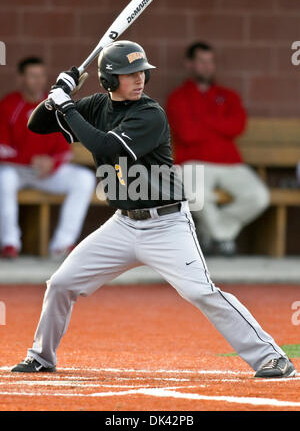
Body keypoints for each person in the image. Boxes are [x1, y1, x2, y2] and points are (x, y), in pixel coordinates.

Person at [11, 41, 295, 379]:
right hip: (123, 225)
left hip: (167, 224)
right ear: (109, 81)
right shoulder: (97, 105)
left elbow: (107, 147)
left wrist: (67, 107)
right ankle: (42, 356)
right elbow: (37, 124)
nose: (139, 78)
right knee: (60, 283)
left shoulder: (150, 113)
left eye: (141, 72)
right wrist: (59, 93)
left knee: (201, 292)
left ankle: (271, 357)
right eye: (129, 74)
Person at [166, 42, 270, 256]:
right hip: (192, 161)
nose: (207, 66)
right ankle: (224, 239)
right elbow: (187, 133)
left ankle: (213, 233)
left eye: (210, 61)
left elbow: (238, 126)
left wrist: (201, 120)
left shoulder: (228, 95)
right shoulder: (178, 97)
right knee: (196, 196)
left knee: (259, 197)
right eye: (202, 61)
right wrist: (218, 122)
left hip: (230, 163)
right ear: (189, 64)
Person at [0, 57, 95, 259]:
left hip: (49, 171)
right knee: (3, 178)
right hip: (17, 170)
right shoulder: (9, 105)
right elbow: (2, 149)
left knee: (84, 179)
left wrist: (52, 163)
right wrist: (31, 160)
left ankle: (62, 245)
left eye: (41, 76)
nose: (38, 81)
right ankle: (10, 243)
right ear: (21, 79)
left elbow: (65, 149)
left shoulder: (53, 105)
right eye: (32, 76)